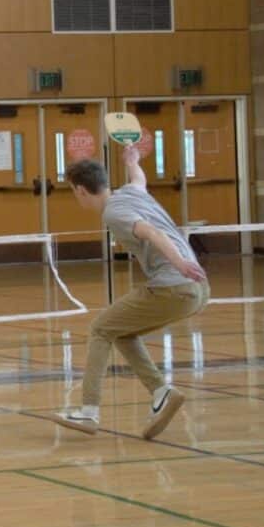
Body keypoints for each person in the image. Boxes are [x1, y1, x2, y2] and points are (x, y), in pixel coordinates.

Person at [50, 144, 209, 439]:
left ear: (81, 190)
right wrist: (133, 160)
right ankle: (161, 392)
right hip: (198, 289)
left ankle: (88, 412)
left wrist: (179, 262)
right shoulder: (131, 192)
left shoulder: (114, 212)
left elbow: (152, 232)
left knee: (99, 329)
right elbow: (139, 179)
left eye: (73, 191)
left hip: (173, 284)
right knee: (120, 331)